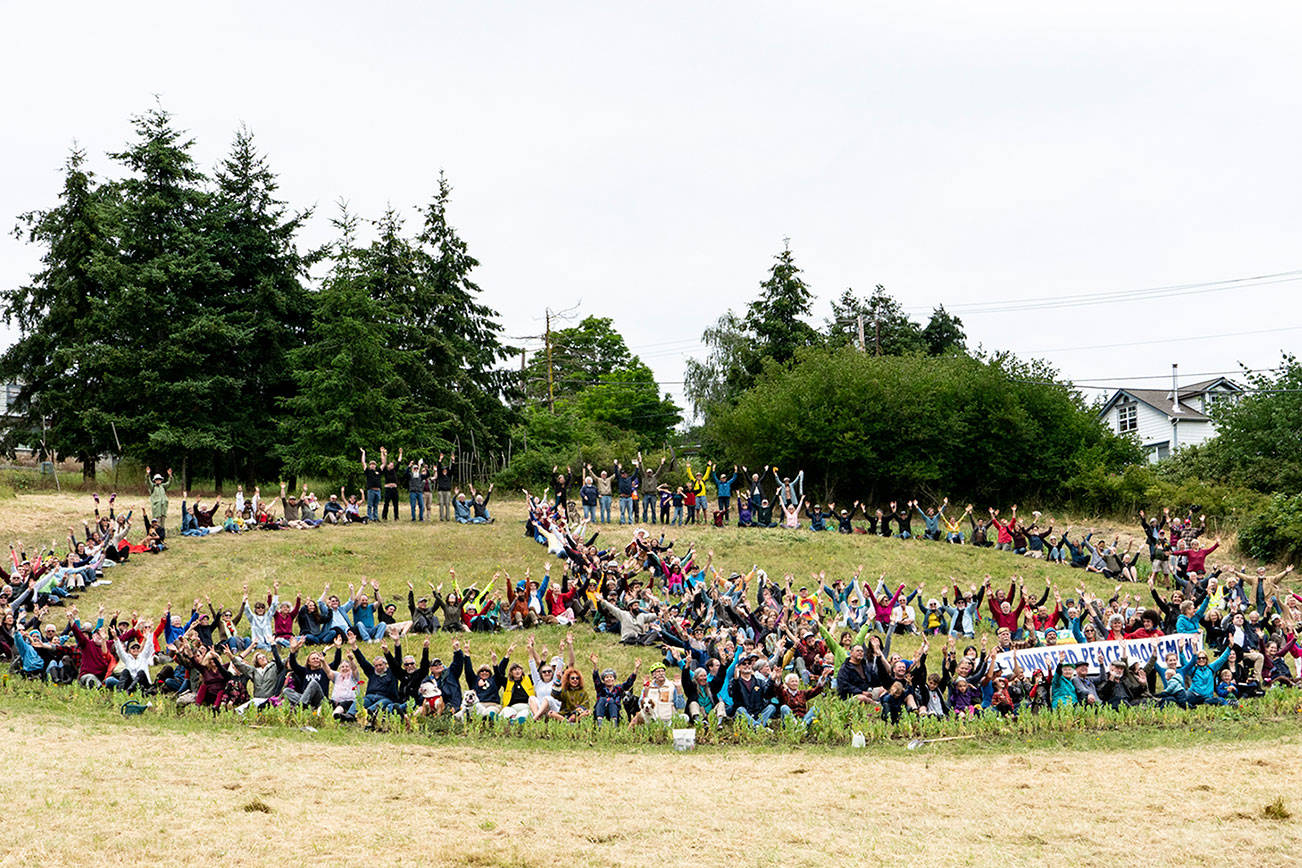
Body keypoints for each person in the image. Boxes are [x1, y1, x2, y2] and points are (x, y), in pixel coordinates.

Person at [144, 466, 174, 539]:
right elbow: (148, 482)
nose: (158, 480)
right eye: (157, 479)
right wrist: (148, 474)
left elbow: (169, 483)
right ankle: (155, 535)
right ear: (154, 480)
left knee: (163, 522)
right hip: (156, 508)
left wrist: (170, 476)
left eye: (159, 479)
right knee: (156, 522)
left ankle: (162, 535)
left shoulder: (163, 486)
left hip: (163, 508)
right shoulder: (152, 487)